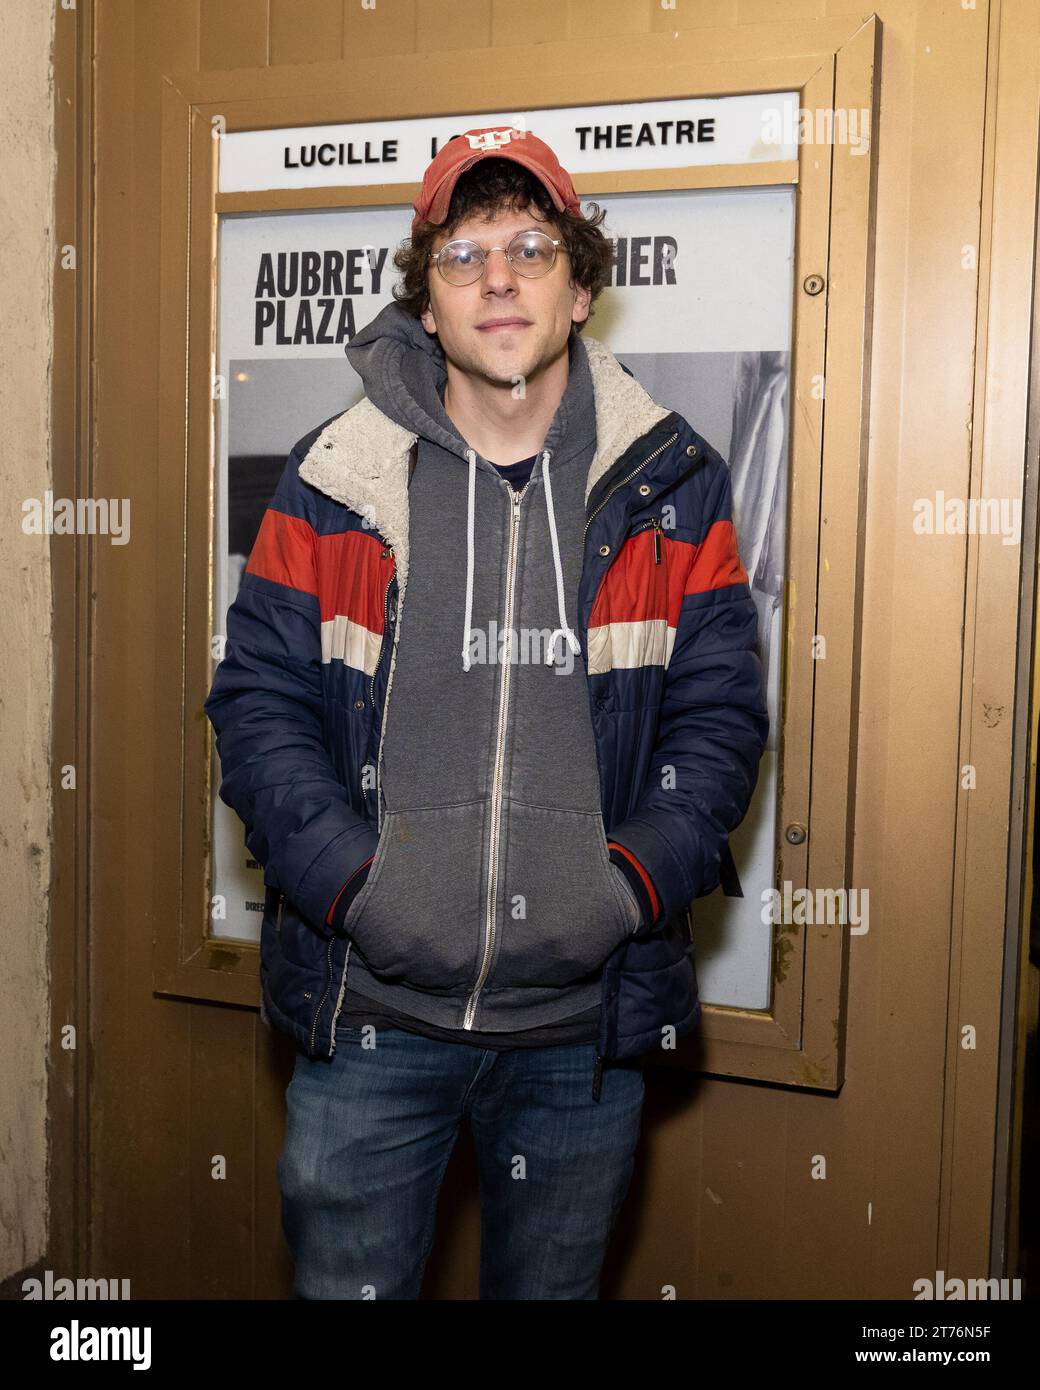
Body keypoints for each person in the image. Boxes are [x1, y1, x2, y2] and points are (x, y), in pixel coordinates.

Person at [203, 125, 769, 1300]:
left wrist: (622, 888)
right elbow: (257, 706)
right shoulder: (332, 478)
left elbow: (716, 717)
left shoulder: (673, 484)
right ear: (426, 301)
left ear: (578, 286)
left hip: (581, 1034)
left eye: (529, 245)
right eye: (462, 254)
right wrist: (358, 886)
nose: (498, 276)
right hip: (371, 1019)